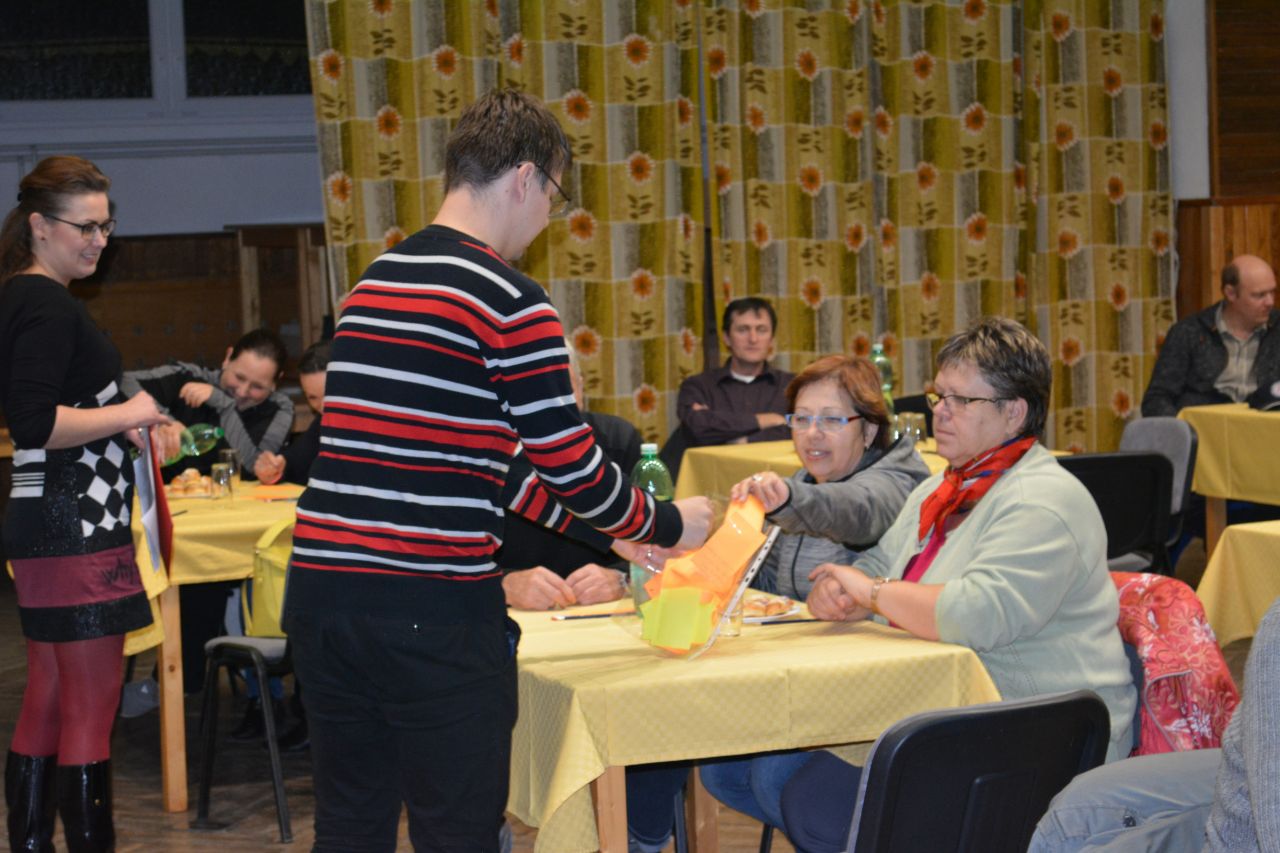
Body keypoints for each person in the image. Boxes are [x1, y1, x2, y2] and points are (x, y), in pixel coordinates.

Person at [281, 88, 714, 852]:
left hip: (324, 599)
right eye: (554, 196)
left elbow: (485, 461)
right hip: (433, 612)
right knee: (459, 832)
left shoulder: (372, 286)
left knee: (350, 826)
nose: (547, 216)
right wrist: (671, 524)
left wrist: (613, 539)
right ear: (524, 178)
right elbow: (570, 462)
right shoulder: (513, 300)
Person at [698, 317, 1136, 852]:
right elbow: (880, 563)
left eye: (960, 400)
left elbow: (976, 614)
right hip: (943, 705)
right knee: (733, 771)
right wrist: (843, 593)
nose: (939, 412)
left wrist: (870, 594)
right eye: (938, 395)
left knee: (805, 794)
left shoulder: (1043, 501)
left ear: (1014, 412)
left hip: (1034, 731)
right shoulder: (942, 489)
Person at [625, 354, 931, 852]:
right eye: (801, 419)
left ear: (870, 429)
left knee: (770, 776)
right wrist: (689, 558)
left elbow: (856, 512)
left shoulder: (897, 481)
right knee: (721, 772)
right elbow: (763, 577)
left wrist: (787, 499)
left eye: (831, 420)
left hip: (875, 691)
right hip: (801, 676)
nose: (812, 434)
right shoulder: (808, 483)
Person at [0, 155, 170, 851]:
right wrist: (132, 410)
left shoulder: (21, 296)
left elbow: (46, 415)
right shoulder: (45, 303)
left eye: (107, 225)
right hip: (76, 523)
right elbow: (34, 422)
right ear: (40, 226)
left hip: (48, 517)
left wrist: (118, 422)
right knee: (90, 706)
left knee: (48, 692)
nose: (100, 240)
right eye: (86, 227)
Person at [498, 339, 641, 610]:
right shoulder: (483, 456)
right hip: (513, 616)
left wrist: (621, 577)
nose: (552, 405)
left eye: (564, 387)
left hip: (601, 613)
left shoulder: (619, 441)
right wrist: (504, 585)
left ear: (582, 387)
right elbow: (441, 561)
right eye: (535, 393)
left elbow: (656, 550)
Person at [122, 326, 294, 475]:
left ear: (275, 382)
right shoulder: (187, 376)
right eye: (239, 377)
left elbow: (254, 468)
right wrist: (162, 421)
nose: (242, 392)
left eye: (257, 386)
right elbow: (123, 381)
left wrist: (224, 405)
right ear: (228, 358)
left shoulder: (281, 409)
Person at [1141, 254, 1280, 416]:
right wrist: (1182, 427)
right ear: (1230, 293)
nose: (1270, 302)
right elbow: (1156, 399)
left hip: (1263, 427)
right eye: (1259, 295)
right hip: (1202, 427)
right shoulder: (1189, 332)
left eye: (1272, 292)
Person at [676, 296, 795, 446]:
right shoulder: (698, 386)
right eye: (743, 330)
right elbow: (698, 427)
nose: (753, 339)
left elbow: (803, 430)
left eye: (761, 330)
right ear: (726, 338)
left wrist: (744, 440)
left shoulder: (793, 386)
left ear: (771, 339)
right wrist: (766, 420)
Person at [253, 340, 329, 486]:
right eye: (312, 398)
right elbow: (297, 460)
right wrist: (275, 468)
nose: (322, 406)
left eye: (329, 394)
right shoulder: (322, 422)